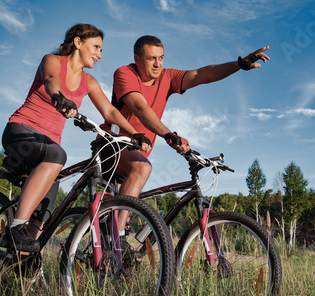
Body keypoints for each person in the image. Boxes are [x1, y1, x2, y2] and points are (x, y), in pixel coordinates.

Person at [0, 24, 151, 252]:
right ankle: (15, 228)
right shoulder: (52, 60)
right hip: (21, 131)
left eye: (101, 49)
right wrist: (58, 97)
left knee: (44, 216)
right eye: (96, 47)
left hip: (48, 148)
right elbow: (52, 79)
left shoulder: (88, 82)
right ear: (78, 42)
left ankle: (21, 262)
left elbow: (110, 112)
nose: (100, 54)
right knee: (57, 154)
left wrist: (134, 133)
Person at [104, 35, 269, 232]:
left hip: (138, 155)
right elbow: (139, 107)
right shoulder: (125, 73)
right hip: (112, 148)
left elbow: (202, 74)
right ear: (137, 59)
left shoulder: (167, 77)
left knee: (133, 198)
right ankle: (117, 235)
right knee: (141, 170)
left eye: (161, 58)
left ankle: (115, 239)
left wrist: (239, 64)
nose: (158, 64)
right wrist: (169, 135)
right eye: (151, 59)